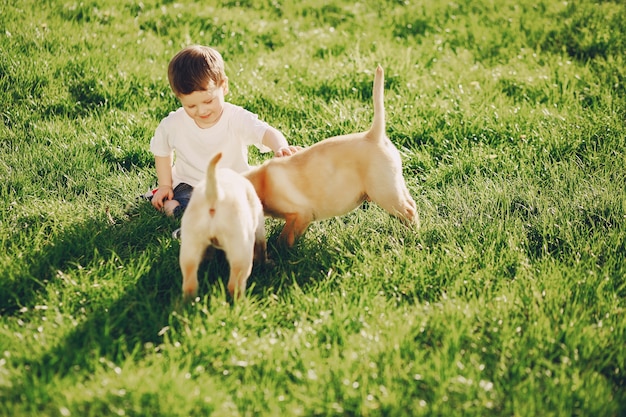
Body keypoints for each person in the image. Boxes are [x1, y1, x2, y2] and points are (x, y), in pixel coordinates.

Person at [149, 45, 299, 217]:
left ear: (224, 86)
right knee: (194, 212)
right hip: (191, 184)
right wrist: (165, 186)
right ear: (179, 98)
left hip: (233, 184)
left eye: (208, 101)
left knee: (256, 202)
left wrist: (280, 147)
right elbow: (161, 150)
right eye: (191, 105)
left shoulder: (235, 118)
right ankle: (172, 206)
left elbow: (265, 132)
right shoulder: (173, 123)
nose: (201, 111)